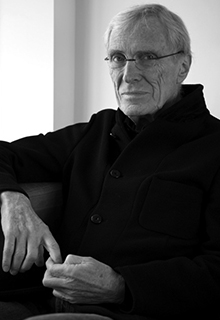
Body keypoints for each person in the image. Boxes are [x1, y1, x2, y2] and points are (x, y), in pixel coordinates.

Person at [0, 3, 220, 320]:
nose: (129, 74)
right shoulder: (95, 131)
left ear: (182, 67)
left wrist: (119, 285)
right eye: (118, 58)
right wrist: (13, 201)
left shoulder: (213, 147)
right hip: (35, 297)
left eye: (147, 57)